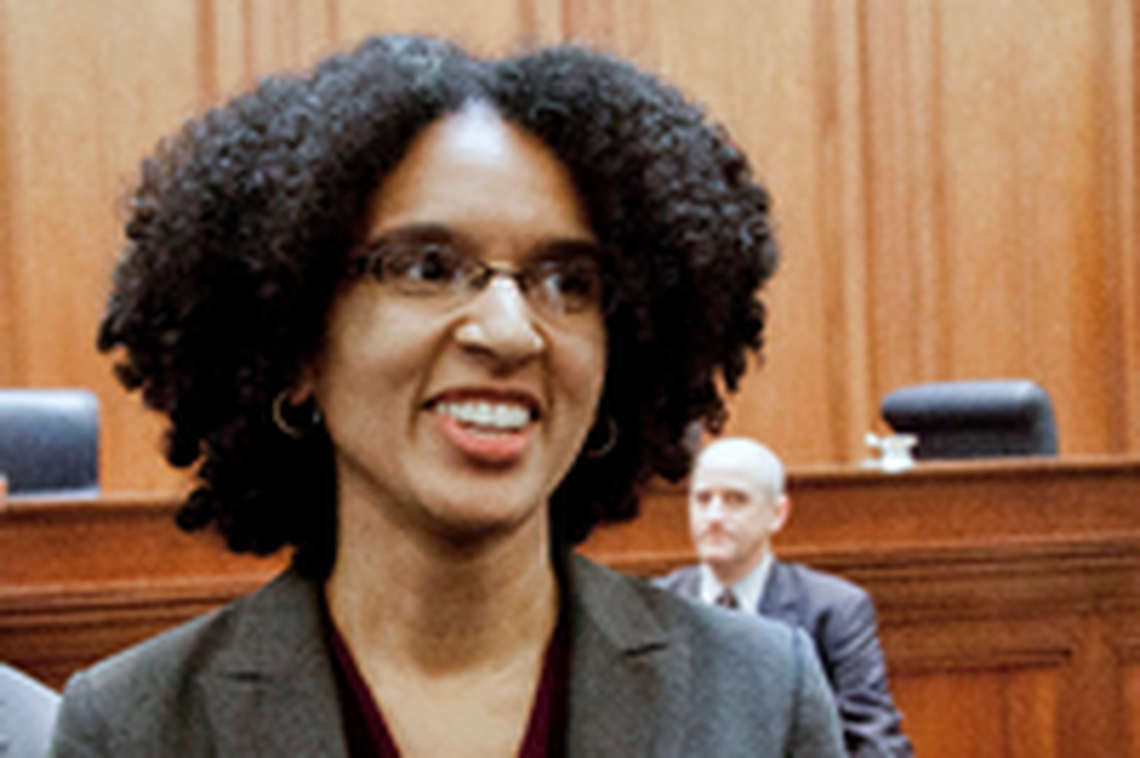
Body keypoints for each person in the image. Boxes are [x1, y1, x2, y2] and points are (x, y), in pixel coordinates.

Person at [49, 35, 845, 757]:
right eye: (427, 267)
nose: (510, 331)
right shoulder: (136, 730)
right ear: (294, 343)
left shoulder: (761, 698)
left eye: (568, 282)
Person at [657, 437, 913, 757]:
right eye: (703, 499)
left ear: (778, 513)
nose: (714, 516)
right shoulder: (656, 606)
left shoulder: (834, 609)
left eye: (736, 500)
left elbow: (876, 741)